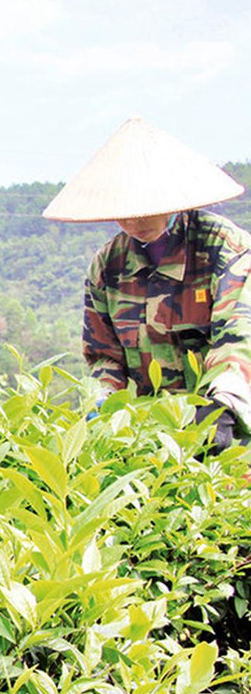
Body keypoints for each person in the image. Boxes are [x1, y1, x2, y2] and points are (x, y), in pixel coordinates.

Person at [43, 117, 250, 453]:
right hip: (150, 439)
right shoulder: (109, 266)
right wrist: (102, 405)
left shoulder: (227, 251)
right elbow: (104, 356)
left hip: (228, 426)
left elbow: (239, 339)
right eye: (122, 211)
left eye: (143, 209)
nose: (133, 222)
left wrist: (222, 405)